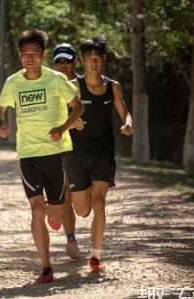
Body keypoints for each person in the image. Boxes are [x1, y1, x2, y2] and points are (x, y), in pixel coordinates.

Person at [0, 30, 84, 283]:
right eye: (26, 55)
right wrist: (1, 123)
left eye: (35, 54)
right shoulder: (13, 83)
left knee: (54, 216)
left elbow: (79, 107)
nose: (30, 59)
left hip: (54, 153)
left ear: (42, 56)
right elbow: (0, 108)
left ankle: (54, 217)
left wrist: (62, 128)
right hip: (28, 154)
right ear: (20, 56)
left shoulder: (56, 79)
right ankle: (46, 267)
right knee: (36, 210)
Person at [64, 38, 133, 272]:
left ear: (103, 60)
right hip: (75, 154)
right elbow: (56, 114)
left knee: (100, 201)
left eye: (98, 59)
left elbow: (125, 112)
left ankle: (96, 256)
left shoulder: (113, 87)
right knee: (83, 210)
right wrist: (70, 123)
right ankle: (71, 201)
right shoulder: (72, 85)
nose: (94, 63)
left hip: (103, 152)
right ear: (83, 61)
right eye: (89, 59)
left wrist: (128, 124)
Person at [51, 43, 80, 260]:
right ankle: (71, 238)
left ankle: (54, 208)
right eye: (59, 62)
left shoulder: (85, 83)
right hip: (56, 144)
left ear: (74, 62)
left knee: (80, 202)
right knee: (64, 193)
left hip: (82, 146)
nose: (63, 65)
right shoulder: (48, 83)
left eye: (66, 61)